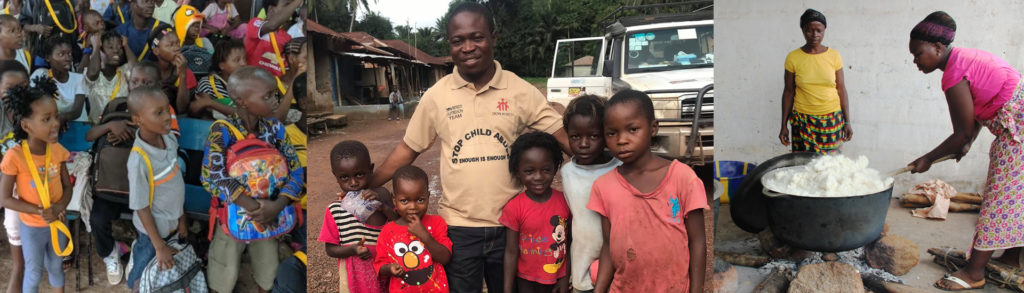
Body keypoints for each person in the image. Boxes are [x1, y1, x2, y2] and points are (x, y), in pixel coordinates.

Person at [369, 3, 568, 292]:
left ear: (494, 38)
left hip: (509, 226)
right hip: (458, 229)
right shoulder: (437, 96)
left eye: (477, 37)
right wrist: (368, 185)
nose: (468, 47)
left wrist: (604, 166)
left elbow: (561, 134)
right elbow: (407, 149)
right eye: (458, 40)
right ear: (450, 45)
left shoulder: (520, 90)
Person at [902, 11, 1024, 291]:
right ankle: (1013, 256)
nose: (915, 61)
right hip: (1018, 123)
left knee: (1000, 198)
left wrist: (928, 159)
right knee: (1018, 197)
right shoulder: (965, 58)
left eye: (918, 54)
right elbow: (980, 108)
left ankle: (975, 272)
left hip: (1019, 132)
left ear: (938, 48)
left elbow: (960, 133)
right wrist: (968, 143)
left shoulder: (954, 74)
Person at [589, 90, 707, 293]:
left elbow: (698, 242)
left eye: (632, 129)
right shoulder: (603, 186)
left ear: (653, 128)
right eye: (612, 133)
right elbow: (609, 245)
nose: (621, 140)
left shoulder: (683, 178)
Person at [201, 66, 303, 293]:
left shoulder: (275, 129)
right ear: (241, 101)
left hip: (271, 213)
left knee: (268, 274)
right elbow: (211, 176)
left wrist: (278, 205)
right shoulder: (223, 130)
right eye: (267, 96)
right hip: (232, 215)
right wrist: (256, 208)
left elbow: (296, 171)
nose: (275, 100)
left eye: (276, 93)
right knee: (223, 276)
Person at [0, 77, 72, 293]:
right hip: (31, 226)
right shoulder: (15, 156)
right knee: (33, 271)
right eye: (47, 119)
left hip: (57, 221)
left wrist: (58, 208)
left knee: (56, 267)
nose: (55, 124)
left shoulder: (58, 151)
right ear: (26, 126)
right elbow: (4, 198)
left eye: (56, 117)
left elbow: (67, 187)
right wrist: (39, 211)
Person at [123, 85, 186, 290]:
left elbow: (176, 182)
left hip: (172, 226)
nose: (167, 117)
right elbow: (141, 207)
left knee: (161, 275)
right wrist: (159, 245)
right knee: (140, 278)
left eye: (167, 109)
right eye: (158, 113)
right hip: (151, 237)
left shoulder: (168, 138)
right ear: (138, 120)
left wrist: (182, 219)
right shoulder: (139, 160)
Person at [559, 95, 620, 293]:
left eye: (593, 136)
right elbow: (569, 222)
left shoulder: (620, 168)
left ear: (606, 134)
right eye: (575, 137)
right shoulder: (568, 173)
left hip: (619, 267)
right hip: (582, 268)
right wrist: (566, 271)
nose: (584, 144)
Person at [500, 131, 571, 293]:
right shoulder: (514, 207)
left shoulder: (565, 201)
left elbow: (569, 243)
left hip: (557, 281)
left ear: (555, 169)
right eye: (529, 171)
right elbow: (511, 252)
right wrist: (507, 289)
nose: (538, 177)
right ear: (518, 172)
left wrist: (565, 278)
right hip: (526, 282)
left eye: (546, 170)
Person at [320, 140, 394, 293]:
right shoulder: (335, 210)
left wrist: (383, 206)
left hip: (384, 272)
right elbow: (330, 249)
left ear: (371, 169)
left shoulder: (381, 197)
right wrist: (353, 250)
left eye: (359, 174)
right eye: (344, 177)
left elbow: (398, 225)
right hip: (353, 277)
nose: (353, 183)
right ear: (336, 176)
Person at [778, 8, 853, 154]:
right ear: (802, 30)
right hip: (803, 122)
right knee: (803, 167)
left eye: (819, 30)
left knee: (830, 167)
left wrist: (847, 121)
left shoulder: (834, 56)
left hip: (832, 121)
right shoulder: (793, 58)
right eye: (809, 31)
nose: (814, 35)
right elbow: (788, 92)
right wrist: (783, 125)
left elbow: (841, 89)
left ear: (824, 30)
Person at [373, 165, 452, 293]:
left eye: (420, 200)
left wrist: (425, 236)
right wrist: (390, 269)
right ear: (394, 199)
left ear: (428, 196)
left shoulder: (437, 223)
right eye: (404, 201)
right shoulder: (387, 231)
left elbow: (445, 258)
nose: (413, 207)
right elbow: (379, 266)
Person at [0, 59, 27, 293]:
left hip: (19, 186)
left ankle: (19, 268)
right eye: (9, 89)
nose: (15, 94)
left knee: (14, 220)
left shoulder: (33, 115)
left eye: (22, 88)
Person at [30, 35, 87, 123]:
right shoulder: (40, 75)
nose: (68, 58)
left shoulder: (78, 79)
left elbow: (76, 112)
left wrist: (61, 118)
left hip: (77, 127)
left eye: (69, 54)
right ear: (48, 57)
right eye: (61, 54)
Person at [83, 31, 135, 124]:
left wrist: (126, 46)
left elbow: (136, 71)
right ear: (101, 51)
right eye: (110, 47)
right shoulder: (93, 73)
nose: (116, 51)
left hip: (122, 125)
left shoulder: (123, 72)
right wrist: (96, 46)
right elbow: (93, 73)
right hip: (97, 127)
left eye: (119, 48)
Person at [244, 0, 301, 78]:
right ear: (270, 9)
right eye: (286, 5)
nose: (290, 9)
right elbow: (272, 25)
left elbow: (286, 71)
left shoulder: (287, 37)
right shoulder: (254, 23)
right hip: (251, 78)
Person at [148, 25, 194, 118]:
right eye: (170, 45)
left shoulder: (185, 71)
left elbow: (182, 109)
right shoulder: (148, 71)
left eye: (178, 43)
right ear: (156, 51)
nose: (177, 48)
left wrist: (183, 74)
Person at [19, 0, 80, 70]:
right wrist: (36, 28)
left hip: (66, 52)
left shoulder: (69, 1)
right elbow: (22, 23)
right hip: (41, 53)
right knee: (41, 77)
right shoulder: (34, 1)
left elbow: (74, 24)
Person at [191, 39, 241, 119]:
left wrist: (211, 103)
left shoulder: (247, 83)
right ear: (222, 65)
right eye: (237, 60)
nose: (243, 63)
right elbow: (203, 111)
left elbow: (247, 115)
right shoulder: (207, 83)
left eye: (245, 59)